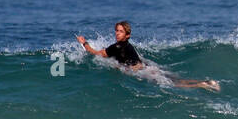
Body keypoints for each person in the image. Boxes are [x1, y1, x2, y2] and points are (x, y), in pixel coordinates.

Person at [77, 21, 220, 91]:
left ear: (127, 35)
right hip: (148, 68)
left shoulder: (116, 47)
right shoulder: (127, 45)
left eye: (120, 31)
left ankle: (202, 85)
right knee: (176, 79)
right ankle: (207, 82)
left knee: (174, 85)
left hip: (143, 72)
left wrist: (84, 43)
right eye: (116, 31)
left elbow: (96, 53)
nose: (117, 33)